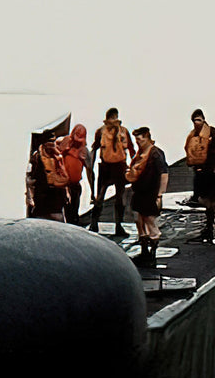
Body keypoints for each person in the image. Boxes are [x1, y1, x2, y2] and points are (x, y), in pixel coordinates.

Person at [184, 109, 215, 246]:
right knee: (205, 202)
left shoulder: (213, 132)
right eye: (194, 120)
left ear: (204, 119)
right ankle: (209, 231)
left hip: (213, 172)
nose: (196, 123)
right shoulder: (193, 135)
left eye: (199, 120)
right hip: (201, 173)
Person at [88, 108, 135, 236]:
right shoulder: (101, 132)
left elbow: (131, 149)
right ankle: (94, 223)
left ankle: (119, 225)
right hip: (105, 167)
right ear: (107, 119)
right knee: (100, 196)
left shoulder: (123, 132)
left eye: (115, 117)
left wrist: (134, 166)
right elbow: (94, 148)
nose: (114, 120)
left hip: (120, 167)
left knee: (120, 197)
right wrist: (90, 167)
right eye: (111, 117)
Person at [126, 126, 169, 265]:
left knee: (150, 222)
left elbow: (164, 174)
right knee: (139, 220)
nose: (137, 142)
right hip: (139, 193)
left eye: (139, 139)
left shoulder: (156, 154)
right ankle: (144, 251)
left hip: (150, 194)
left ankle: (152, 254)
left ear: (146, 137)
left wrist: (160, 195)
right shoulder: (140, 154)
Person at [27, 129, 69, 222]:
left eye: (53, 141)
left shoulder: (57, 157)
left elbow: (62, 175)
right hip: (42, 197)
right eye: (50, 141)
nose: (52, 144)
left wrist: (65, 193)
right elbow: (30, 178)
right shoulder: (37, 157)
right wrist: (30, 197)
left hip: (56, 196)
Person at [56, 122, 92, 224]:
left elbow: (90, 172)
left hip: (75, 186)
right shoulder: (64, 143)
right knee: (63, 211)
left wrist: (93, 192)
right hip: (62, 185)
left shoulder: (84, 151)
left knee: (73, 212)